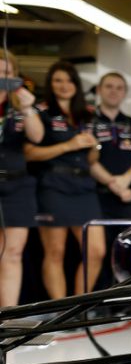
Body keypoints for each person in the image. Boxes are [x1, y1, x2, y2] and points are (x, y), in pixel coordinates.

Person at [24, 61, 105, 298]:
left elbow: (92, 158)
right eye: (58, 80)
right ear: (50, 84)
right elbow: (30, 153)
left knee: (96, 251)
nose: (64, 85)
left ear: (77, 85)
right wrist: (69, 144)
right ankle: (60, 311)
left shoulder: (87, 113)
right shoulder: (41, 111)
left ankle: (79, 308)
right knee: (55, 252)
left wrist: (92, 146)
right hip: (53, 185)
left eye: (69, 80)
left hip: (85, 187)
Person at [0, 51, 44, 307]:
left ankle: (7, 319)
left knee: (13, 253)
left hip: (17, 186)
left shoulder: (21, 106)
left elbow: (37, 136)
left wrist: (27, 107)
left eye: (6, 73)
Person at [89, 73, 131, 222]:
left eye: (119, 88)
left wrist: (126, 179)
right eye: (109, 86)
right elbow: (86, 159)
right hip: (95, 195)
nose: (114, 91)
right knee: (97, 245)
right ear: (99, 90)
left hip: (129, 193)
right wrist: (113, 183)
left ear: (124, 93)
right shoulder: (88, 121)